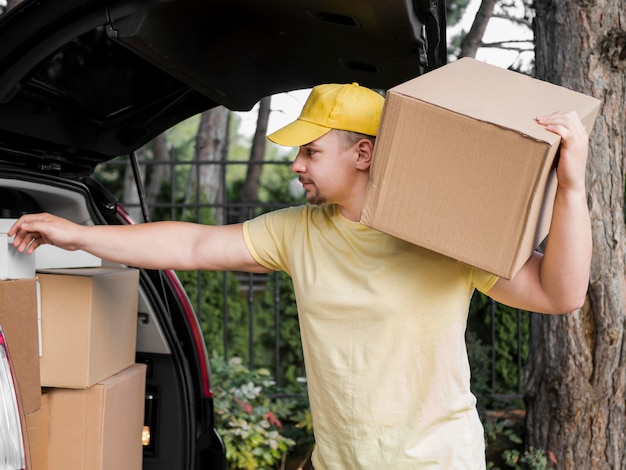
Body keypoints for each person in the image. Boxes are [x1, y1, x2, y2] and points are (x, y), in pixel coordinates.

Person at [9, 82, 591, 469]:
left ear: (362, 153)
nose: (296, 165)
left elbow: (557, 292)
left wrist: (570, 186)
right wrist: (78, 234)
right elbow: (192, 242)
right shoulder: (299, 231)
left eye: (310, 151)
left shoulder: (440, 236)